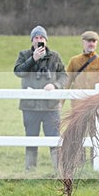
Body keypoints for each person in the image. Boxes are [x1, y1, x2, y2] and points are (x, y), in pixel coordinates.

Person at [13, 25, 68, 172]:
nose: (39, 40)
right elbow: (18, 72)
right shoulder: (24, 55)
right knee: (31, 138)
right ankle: (30, 170)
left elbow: (64, 76)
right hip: (30, 105)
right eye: (36, 37)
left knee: (54, 139)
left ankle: (58, 170)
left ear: (46, 40)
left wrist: (55, 85)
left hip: (51, 106)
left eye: (41, 37)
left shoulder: (55, 56)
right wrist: (33, 59)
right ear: (32, 40)